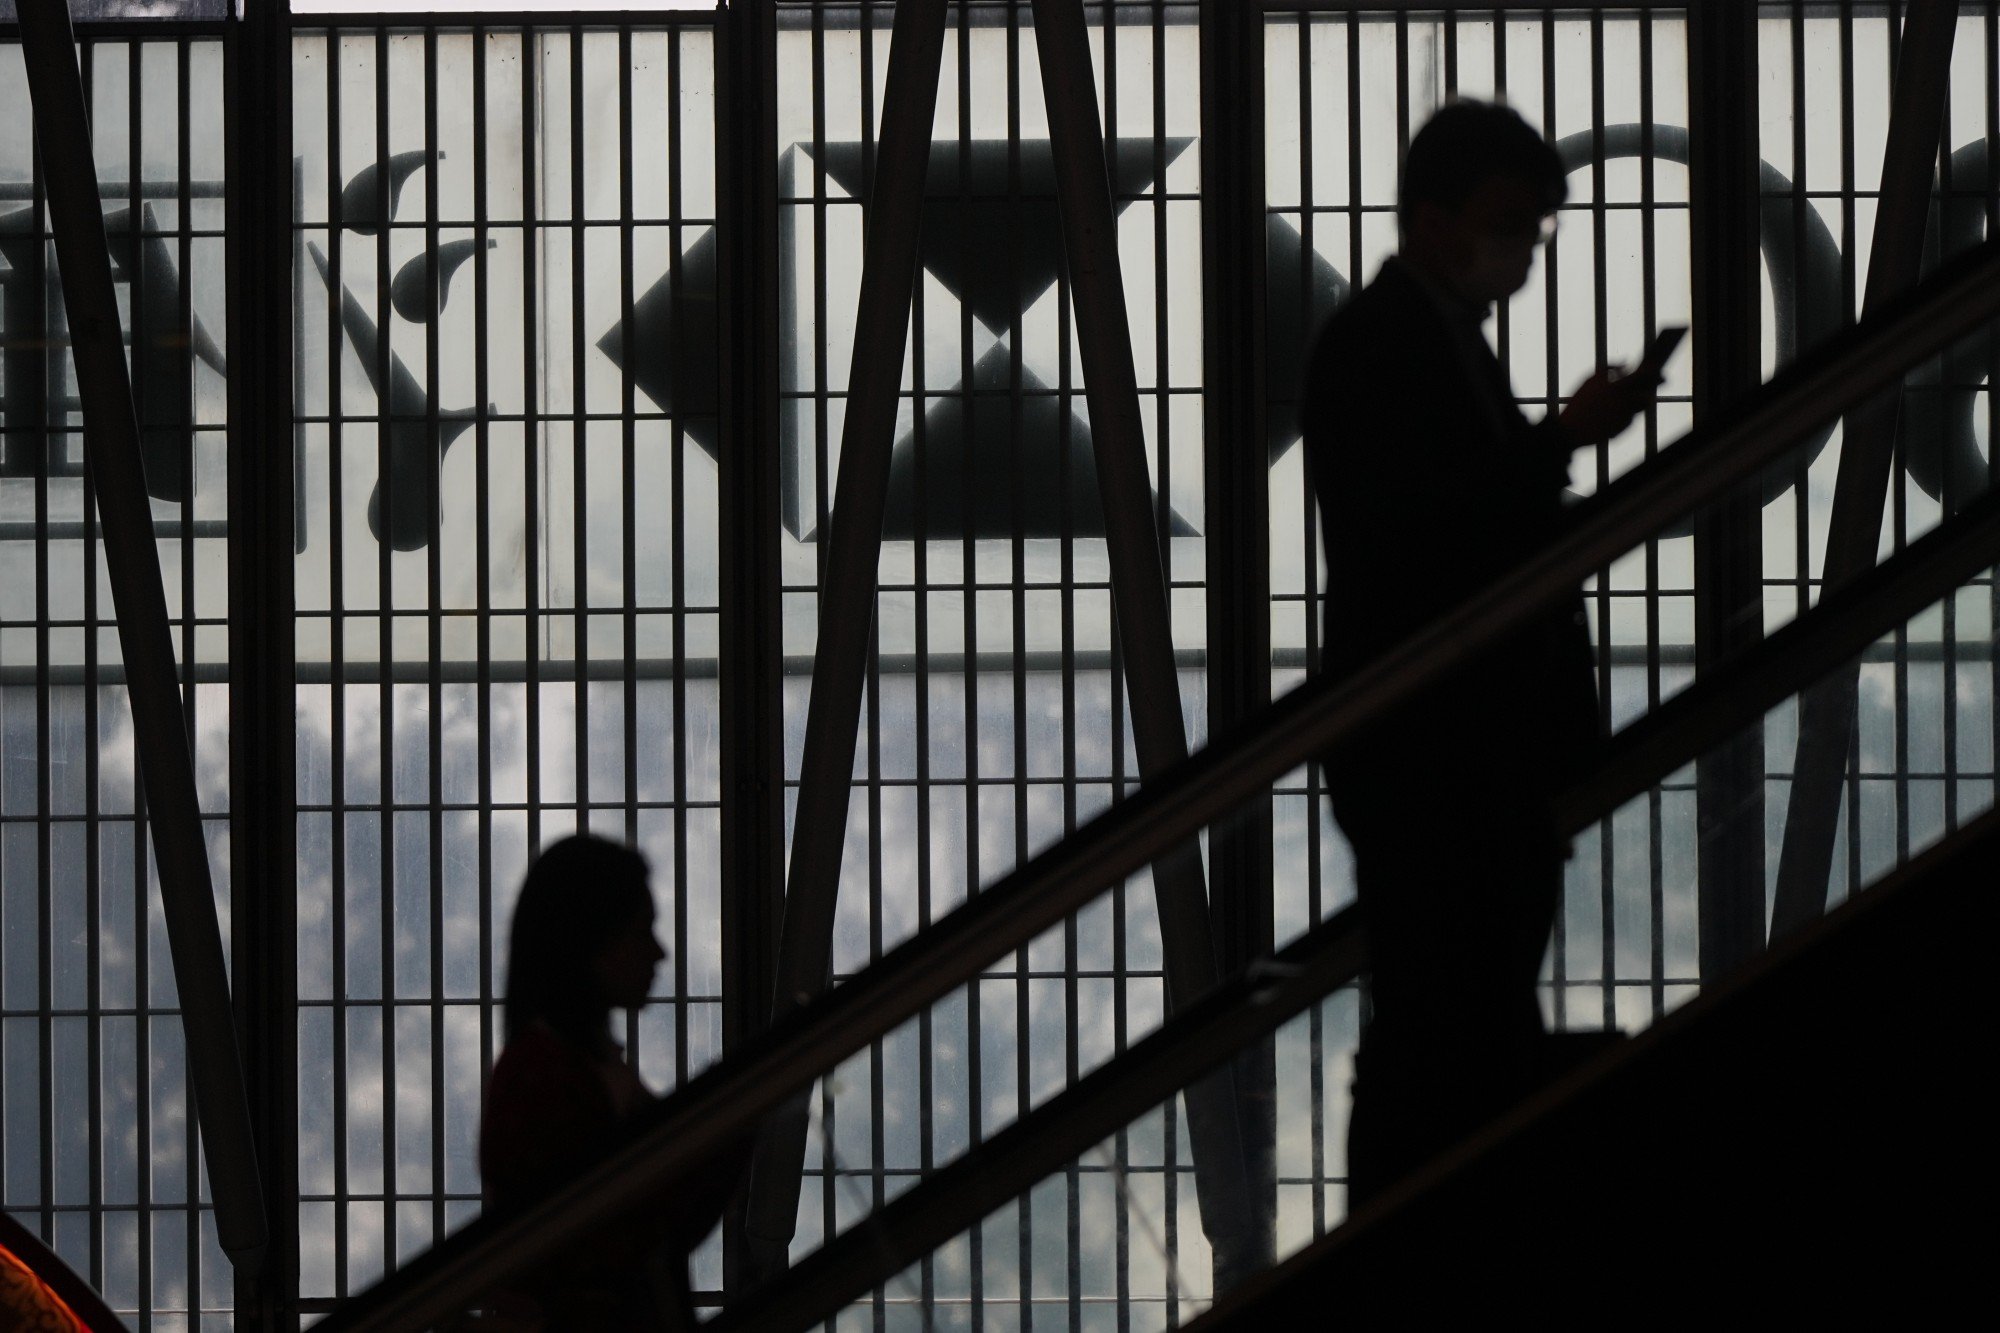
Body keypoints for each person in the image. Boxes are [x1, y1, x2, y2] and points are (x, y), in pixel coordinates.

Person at [1298, 100, 1660, 1205]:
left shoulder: (1422, 341)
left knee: (1441, 1021)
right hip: (1437, 754)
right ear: (1430, 217)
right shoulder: (1384, 348)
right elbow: (1430, 535)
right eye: (1509, 222)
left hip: (1445, 753)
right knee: (1444, 1020)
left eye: (1534, 229)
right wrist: (1560, 441)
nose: (1523, 251)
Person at [480, 834, 739, 1331]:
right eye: (641, 931)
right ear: (591, 941)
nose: (660, 953)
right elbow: (625, 1241)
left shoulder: (550, 1066)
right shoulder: (549, 1073)